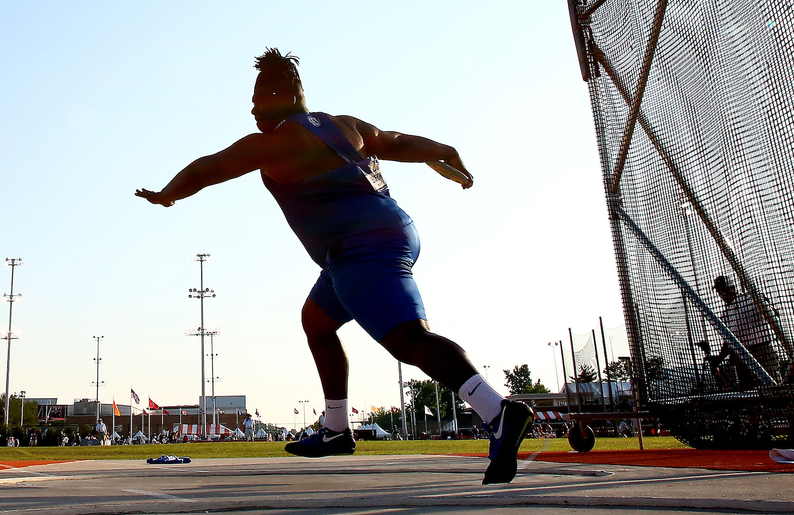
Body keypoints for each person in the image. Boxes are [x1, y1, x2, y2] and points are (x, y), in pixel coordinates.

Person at [136, 49, 533, 484]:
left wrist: (168, 192)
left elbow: (210, 167)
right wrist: (444, 150)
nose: (251, 109)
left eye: (256, 99)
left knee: (408, 340)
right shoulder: (346, 125)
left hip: (361, 248)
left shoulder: (276, 142)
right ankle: (336, 428)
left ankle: (497, 410)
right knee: (317, 321)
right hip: (385, 233)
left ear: (279, 96)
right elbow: (395, 141)